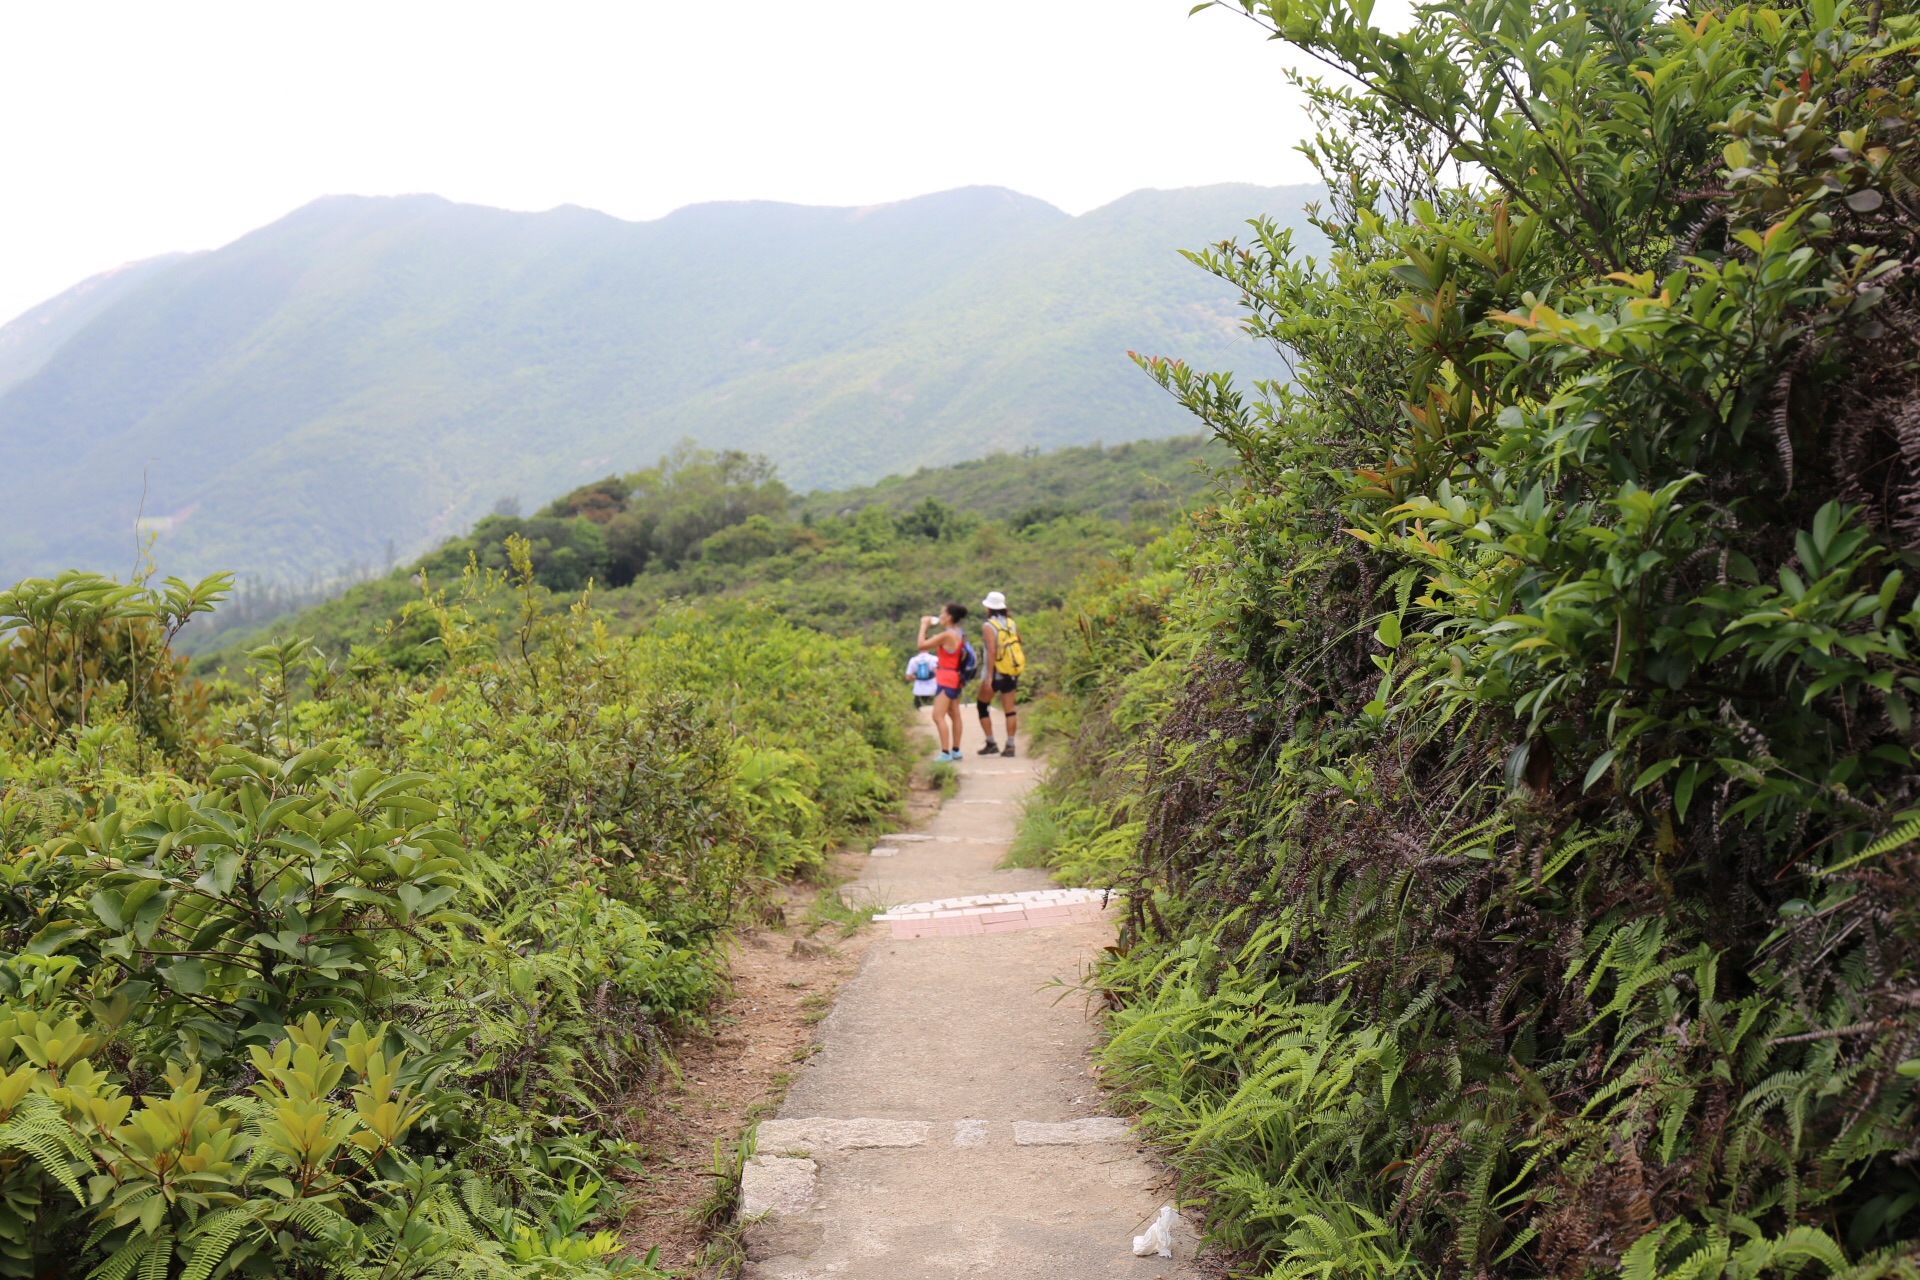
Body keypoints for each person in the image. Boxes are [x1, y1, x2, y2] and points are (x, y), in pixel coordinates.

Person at [916, 602, 969, 761]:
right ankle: (956, 750)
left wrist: (924, 625)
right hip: (956, 676)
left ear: (949, 617)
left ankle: (945, 752)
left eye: (942, 614)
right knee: (955, 714)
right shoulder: (960, 633)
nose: (940, 617)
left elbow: (921, 645)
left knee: (937, 716)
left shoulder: (947, 635)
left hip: (946, 679)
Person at [974, 590, 1024, 757]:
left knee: (982, 706)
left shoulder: (988, 626)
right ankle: (1010, 746)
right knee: (1009, 709)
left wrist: (988, 676)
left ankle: (991, 742)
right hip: (1010, 671)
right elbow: (1019, 641)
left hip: (995, 673)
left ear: (989, 608)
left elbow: (991, 651)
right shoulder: (1011, 623)